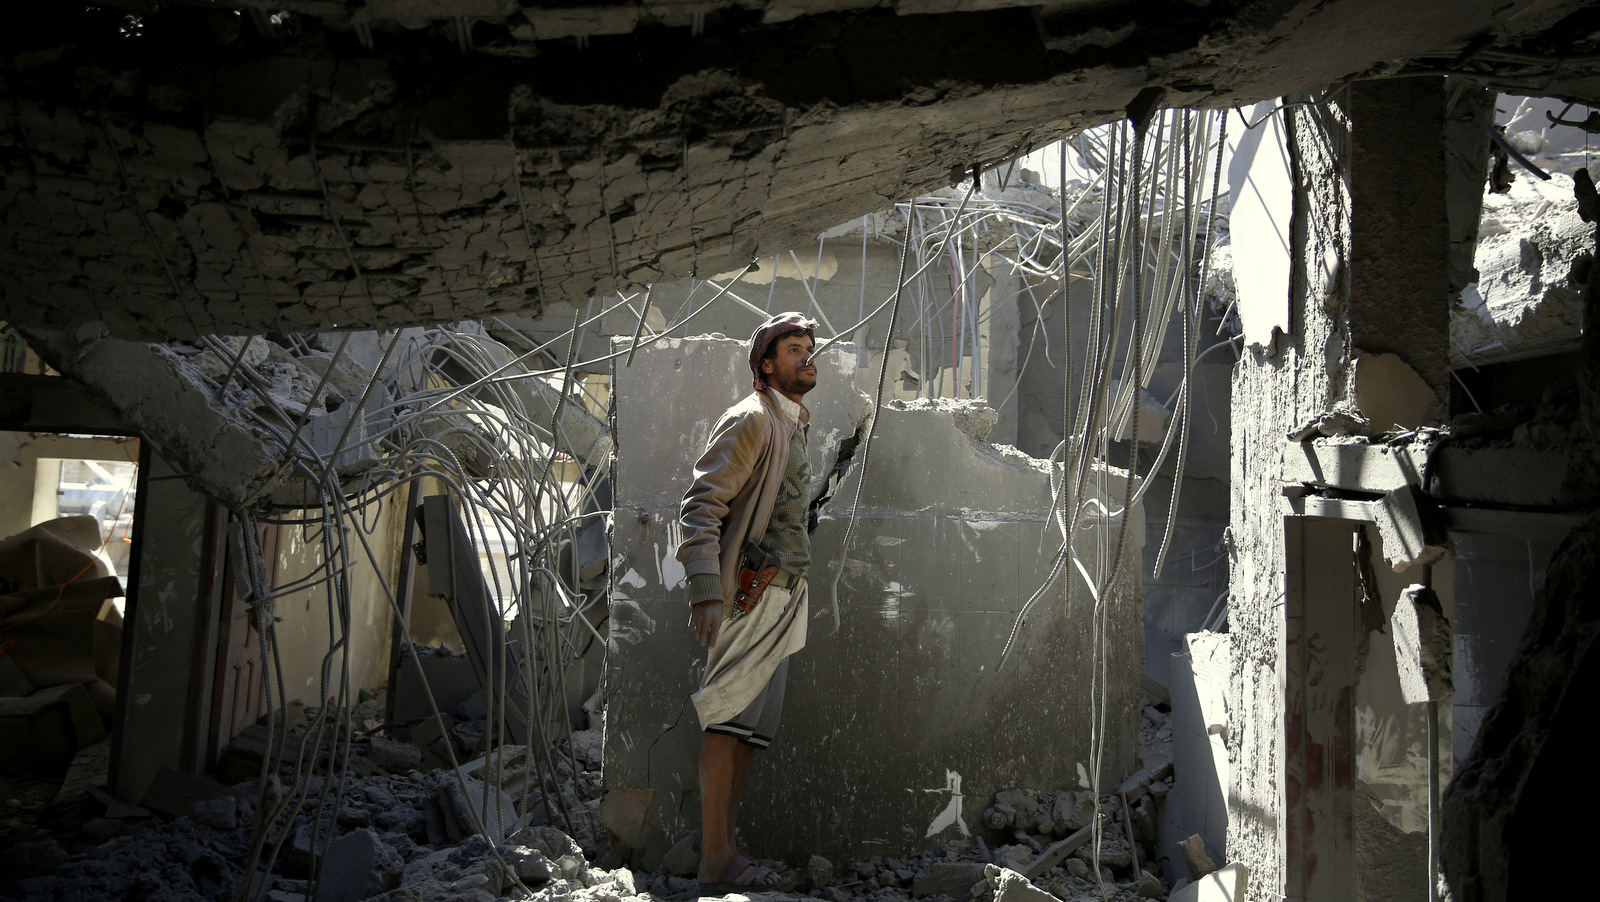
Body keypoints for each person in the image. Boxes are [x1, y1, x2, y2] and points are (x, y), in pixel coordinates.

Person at [676, 311, 819, 894]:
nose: (807, 358)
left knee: (751, 729)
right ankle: (714, 862)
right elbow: (701, 507)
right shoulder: (752, 419)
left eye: (810, 349)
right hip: (748, 594)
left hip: (784, 596)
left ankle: (729, 853)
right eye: (793, 350)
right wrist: (707, 593)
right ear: (766, 364)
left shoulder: (791, 423)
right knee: (726, 716)